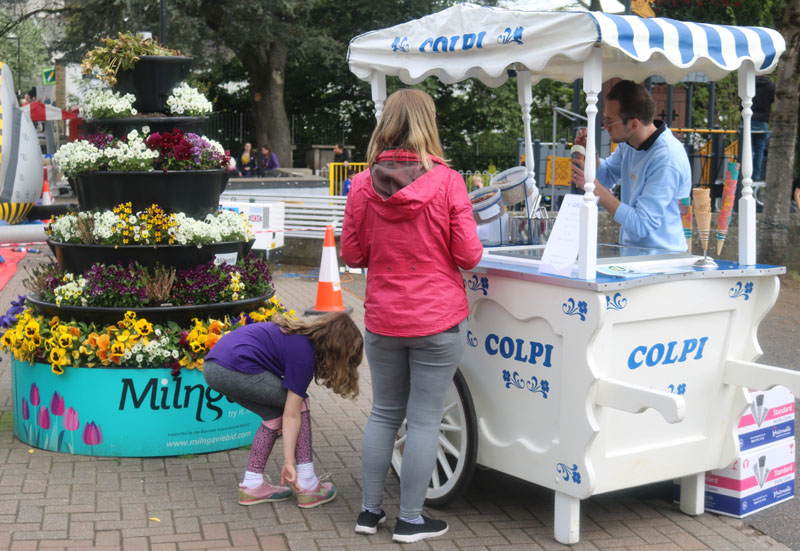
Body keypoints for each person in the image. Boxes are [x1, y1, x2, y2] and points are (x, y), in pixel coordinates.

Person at [341, 88, 483, 544]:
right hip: (438, 319)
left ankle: (367, 513)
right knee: (423, 420)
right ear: (428, 123)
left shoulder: (363, 184)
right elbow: (469, 255)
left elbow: (352, 252)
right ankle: (411, 519)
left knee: (383, 414)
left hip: (383, 318)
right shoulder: (447, 181)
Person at [203, 312, 363, 509]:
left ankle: (252, 485)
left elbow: (284, 414)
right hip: (232, 367)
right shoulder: (304, 356)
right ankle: (307, 483)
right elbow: (292, 414)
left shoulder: (298, 338)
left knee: (273, 416)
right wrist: (288, 462)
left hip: (213, 368)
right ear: (337, 350)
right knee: (300, 404)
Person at [572, 80, 691, 252]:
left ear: (634, 124)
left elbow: (642, 224)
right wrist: (592, 153)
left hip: (662, 261)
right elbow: (606, 178)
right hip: (634, 256)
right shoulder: (629, 144)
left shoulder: (666, 158)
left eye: (610, 121)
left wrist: (594, 188)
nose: (605, 127)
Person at [751, 75, 775, 181]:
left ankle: (744, 173)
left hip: (749, 118)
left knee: (746, 148)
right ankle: (756, 175)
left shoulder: (749, 83)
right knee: (759, 149)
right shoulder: (771, 86)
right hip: (763, 120)